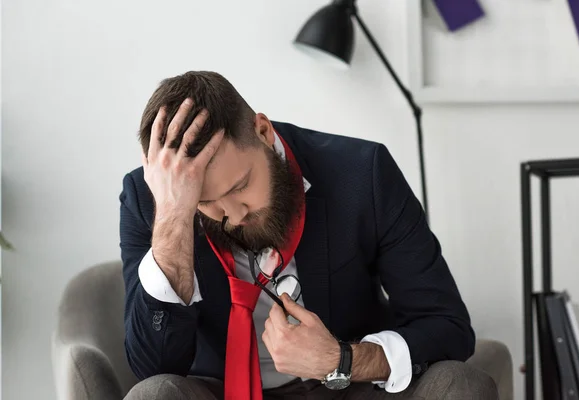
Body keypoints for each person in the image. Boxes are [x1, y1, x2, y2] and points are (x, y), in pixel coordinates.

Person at [120, 71, 498, 400]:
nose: (233, 215)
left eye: (241, 185)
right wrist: (173, 216)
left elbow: (448, 327)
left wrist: (342, 360)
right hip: (221, 389)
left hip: (350, 386)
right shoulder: (149, 200)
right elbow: (154, 367)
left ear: (263, 131)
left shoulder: (363, 174)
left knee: (461, 385)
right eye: (206, 202)